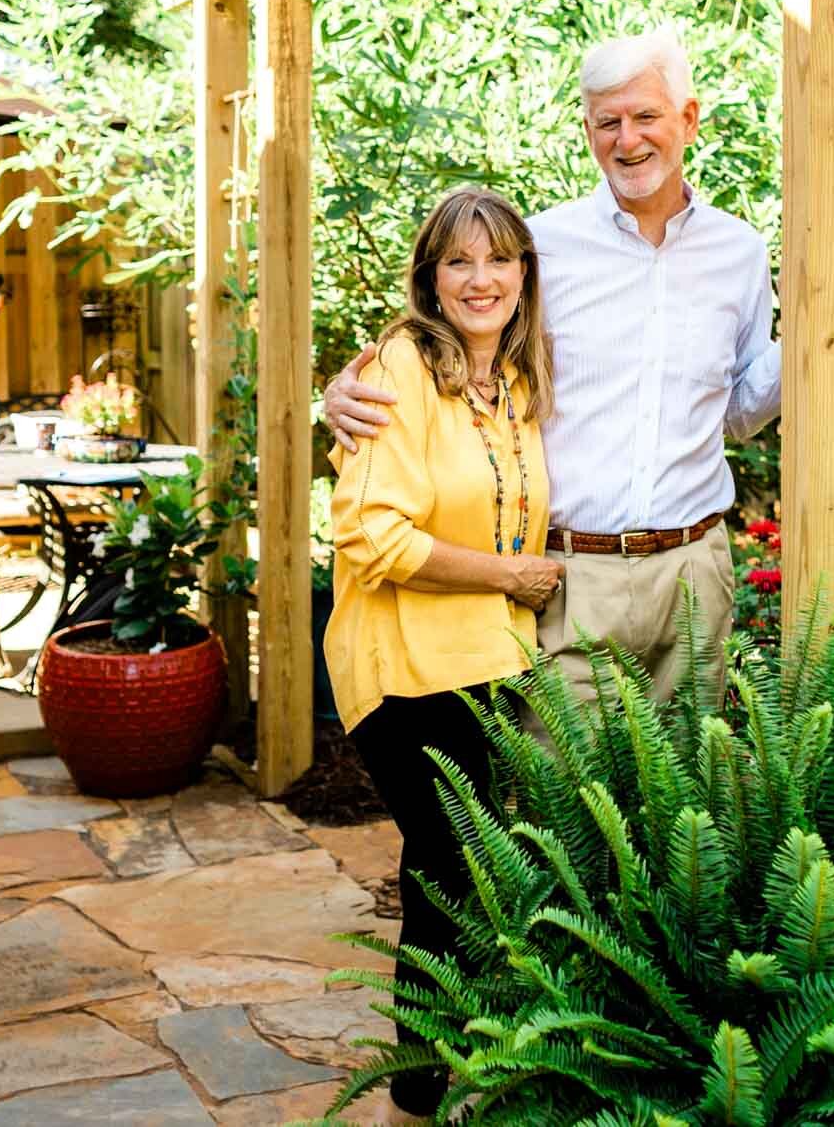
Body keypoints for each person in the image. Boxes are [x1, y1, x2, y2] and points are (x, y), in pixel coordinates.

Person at [325, 28, 781, 707]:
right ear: (589, 130)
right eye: (608, 122)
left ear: (688, 117)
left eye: (646, 116)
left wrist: (806, 340)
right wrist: (343, 390)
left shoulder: (739, 252)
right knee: (566, 801)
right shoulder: (540, 248)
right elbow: (446, 340)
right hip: (570, 574)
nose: (628, 140)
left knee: (687, 800)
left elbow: (740, 414)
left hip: (695, 567)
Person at [325, 187, 563, 1122]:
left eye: (499, 259)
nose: (481, 278)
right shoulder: (399, 368)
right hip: (406, 666)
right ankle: (417, 1100)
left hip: (489, 665)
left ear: (523, 275)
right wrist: (508, 575)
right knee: (446, 874)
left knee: (470, 877)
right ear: (431, 276)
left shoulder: (511, 379)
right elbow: (373, 536)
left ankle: (464, 1076)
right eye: (460, 261)